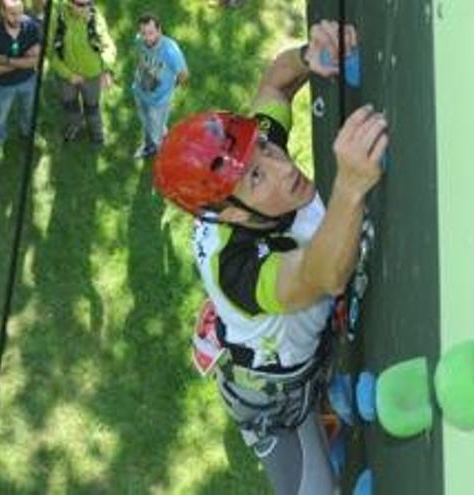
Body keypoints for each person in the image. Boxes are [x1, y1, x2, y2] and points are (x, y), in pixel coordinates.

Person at [153, 21, 387, 495]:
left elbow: (276, 80)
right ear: (229, 213)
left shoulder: (244, 158)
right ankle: (322, 428)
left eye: (265, 148)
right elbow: (324, 273)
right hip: (273, 402)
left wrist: (310, 55)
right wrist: (350, 185)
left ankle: (330, 417)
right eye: (258, 178)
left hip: (306, 345)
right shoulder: (238, 270)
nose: (283, 169)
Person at [45, 0, 116, 144]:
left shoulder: (95, 19)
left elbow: (108, 46)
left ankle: (96, 132)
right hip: (67, 76)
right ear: (70, 3)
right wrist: (68, 74)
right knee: (69, 103)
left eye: (90, 3)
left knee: (92, 106)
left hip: (92, 75)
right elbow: (50, 52)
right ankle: (74, 125)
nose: (86, 8)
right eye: (81, 5)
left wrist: (107, 69)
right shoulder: (58, 18)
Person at [0, 0, 41, 157]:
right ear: (2, 12)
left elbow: (36, 59)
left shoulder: (31, 26)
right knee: (0, 116)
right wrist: (24, 61)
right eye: (12, 14)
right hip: (3, 86)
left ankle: (27, 134)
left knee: (28, 111)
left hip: (29, 81)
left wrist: (6, 60)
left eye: (20, 13)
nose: (18, 18)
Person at [131, 13, 188, 159]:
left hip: (159, 101)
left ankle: (163, 153)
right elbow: (138, 59)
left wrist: (171, 88)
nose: (147, 38)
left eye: (151, 33)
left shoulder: (170, 50)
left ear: (159, 30)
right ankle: (150, 146)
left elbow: (183, 74)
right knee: (146, 123)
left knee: (156, 131)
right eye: (143, 33)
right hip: (140, 92)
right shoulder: (138, 41)